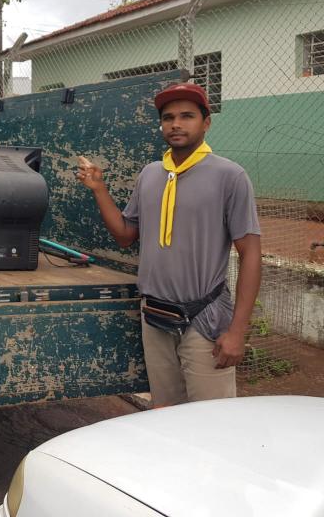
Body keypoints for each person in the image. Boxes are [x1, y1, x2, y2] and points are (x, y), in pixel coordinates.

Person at [76, 83, 261, 407]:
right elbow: (124, 235)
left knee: (212, 419)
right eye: (168, 117)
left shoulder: (229, 176)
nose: (176, 124)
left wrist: (237, 331)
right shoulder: (150, 174)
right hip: (155, 315)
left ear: (206, 123)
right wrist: (99, 189)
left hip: (204, 318)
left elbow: (250, 254)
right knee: (164, 414)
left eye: (187, 116)